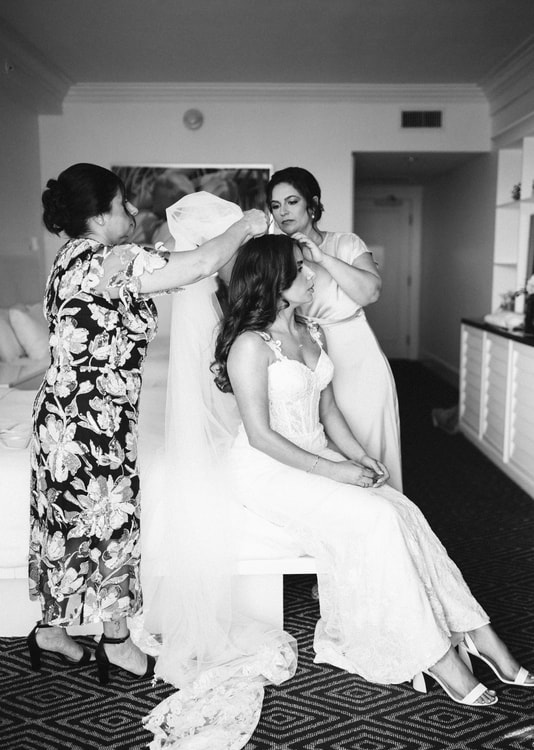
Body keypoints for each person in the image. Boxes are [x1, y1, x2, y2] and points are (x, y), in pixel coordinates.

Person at [211, 233, 534, 707]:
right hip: (268, 470)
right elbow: (261, 436)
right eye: (300, 268)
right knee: (378, 518)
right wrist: (335, 472)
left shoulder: (311, 331)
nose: (311, 274)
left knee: (400, 507)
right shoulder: (249, 345)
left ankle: (478, 633)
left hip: (315, 451)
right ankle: (438, 656)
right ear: (273, 280)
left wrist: (359, 457)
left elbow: (330, 413)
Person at [27, 163, 267, 684]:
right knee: (113, 524)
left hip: (59, 417)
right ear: (96, 216)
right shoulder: (110, 259)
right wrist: (247, 224)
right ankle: (116, 642)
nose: (133, 212)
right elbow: (202, 261)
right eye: (122, 205)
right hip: (94, 422)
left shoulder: (66, 262)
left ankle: (51, 628)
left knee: (61, 522)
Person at [267, 167, 403, 492]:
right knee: (319, 438)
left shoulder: (345, 243)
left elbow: (370, 292)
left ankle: (385, 515)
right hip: (304, 352)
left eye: (291, 201)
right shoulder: (275, 252)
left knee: (368, 437)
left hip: (355, 353)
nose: (283, 211)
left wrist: (322, 259)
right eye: (275, 205)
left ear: (312, 204)